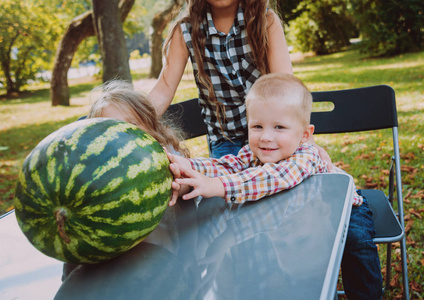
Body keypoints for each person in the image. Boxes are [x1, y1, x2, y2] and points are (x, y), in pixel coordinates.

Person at [168, 74, 383, 300]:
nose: (266, 137)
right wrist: (189, 166)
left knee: (357, 240)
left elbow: (274, 177)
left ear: (305, 135)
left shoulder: (305, 156)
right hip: (294, 212)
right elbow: (226, 165)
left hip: (345, 206)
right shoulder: (254, 153)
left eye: (279, 127)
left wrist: (217, 186)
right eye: (257, 126)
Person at [148, 0, 293, 158]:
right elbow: (164, 89)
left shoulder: (265, 20)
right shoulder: (185, 30)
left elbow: (286, 87)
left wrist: (305, 140)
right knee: (224, 183)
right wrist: (134, 121)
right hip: (224, 141)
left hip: (268, 136)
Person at [87, 80, 189, 157]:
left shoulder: (167, 153)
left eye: (132, 125)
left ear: (149, 124)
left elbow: (186, 181)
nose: (123, 134)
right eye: (112, 128)